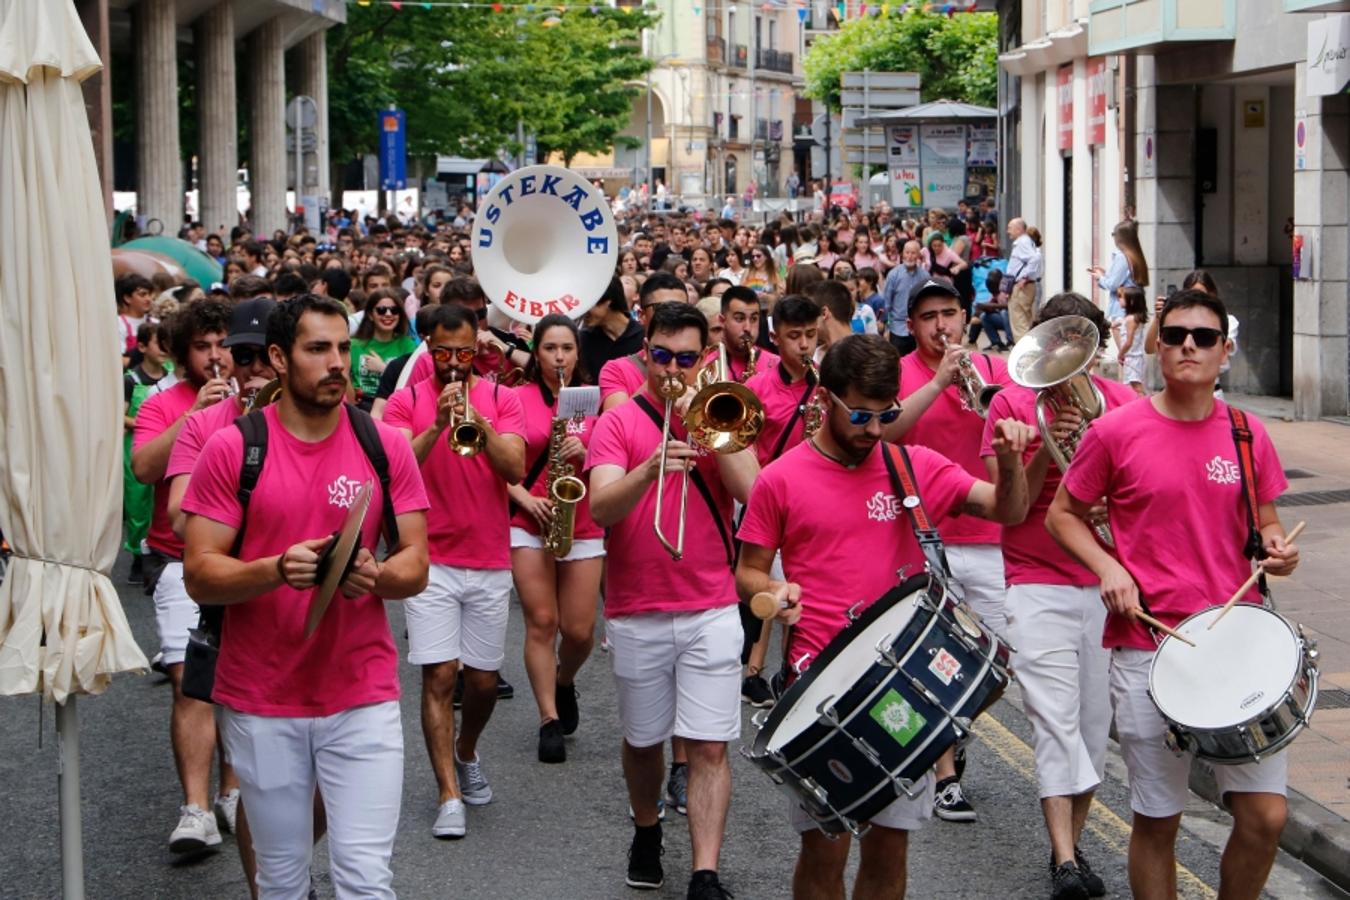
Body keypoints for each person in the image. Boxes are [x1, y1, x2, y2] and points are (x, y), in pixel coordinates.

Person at [736, 333, 1032, 900]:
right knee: (825, 850)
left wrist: (1014, 462)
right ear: (825, 399)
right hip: (818, 689)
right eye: (863, 416)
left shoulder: (911, 465)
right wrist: (775, 590)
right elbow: (747, 573)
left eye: (888, 415)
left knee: (890, 847)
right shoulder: (780, 479)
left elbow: (1007, 509)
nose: (875, 431)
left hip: (901, 691)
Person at [1046, 288, 1299, 900]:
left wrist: (1278, 550)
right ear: (1157, 344)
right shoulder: (1115, 431)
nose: (1190, 345)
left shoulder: (1246, 433)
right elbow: (1062, 515)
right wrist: (1108, 568)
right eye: (1177, 334)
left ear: (1225, 351)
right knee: (1158, 820)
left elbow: (1265, 522)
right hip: (1148, 646)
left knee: (1266, 816)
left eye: (1205, 337)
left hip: (1238, 644)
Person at [181, 295, 430, 899]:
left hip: (361, 691)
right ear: (278, 357)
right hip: (263, 696)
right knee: (283, 879)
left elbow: (417, 563)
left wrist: (378, 576)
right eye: (318, 349)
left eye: (343, 347)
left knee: (366, 880)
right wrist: (272, 568)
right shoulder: (234, 448)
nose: (337, 363)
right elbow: (199, 572)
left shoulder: (384, 443)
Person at [586, 302, 759, 899]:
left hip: (711, 604)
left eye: (687, 359)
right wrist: (649, 469)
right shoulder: (617, 422)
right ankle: (647, 828)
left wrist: (711, 429)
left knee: (710, 745)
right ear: (646, 355)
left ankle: (705, 872)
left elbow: (756, 496)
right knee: (643, 741)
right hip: (638, 609)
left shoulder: (718, 415)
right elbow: (601, 508)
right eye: (662, 357)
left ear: (704, 360)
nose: (673, 371)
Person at [979, 293, 1139, 900]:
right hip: (1034, 578)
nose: (1070, 366)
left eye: (1082, 350)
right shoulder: (1013, 405)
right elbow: (1012, 510)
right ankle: (1068, 861)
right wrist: (1046, 454)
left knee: (1094, 727)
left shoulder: (1123, 403)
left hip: (1102, 581)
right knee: (1053, 720)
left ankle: (1064, 847)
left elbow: (1140, 496)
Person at [383, 302, 526, 839]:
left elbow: (514, 467)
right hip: (428, 558)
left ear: (479, 346)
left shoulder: (503, 397)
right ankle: (448, 793)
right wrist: (438, 424)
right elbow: (397, 470)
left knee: (484, 683)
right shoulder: (405, 401)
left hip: (488, 556)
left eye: (464, 352)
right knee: (440, 676)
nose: (453, 363)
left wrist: (478, 423)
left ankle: (467, 751)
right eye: (443, 352)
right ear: (428, 347)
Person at [891, 277, 1013, 823]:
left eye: (950, 313)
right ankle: (944, 778)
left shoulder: (995, 370)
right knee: (934, 661)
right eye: (929, 317)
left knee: (997, 664)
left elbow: (1017, 421)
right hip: (924, 533)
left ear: (965, 316)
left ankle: (955, 728)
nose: (942, 326)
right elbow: (888, 431)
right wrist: (940, 382)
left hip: (989, 536)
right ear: (911, 324)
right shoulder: (900, 373)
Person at [130, 299, 236, 854]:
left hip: (243, 560)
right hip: (177, 557)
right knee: (187, 677)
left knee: (238, 684)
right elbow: (144, 467)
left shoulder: (257, 397)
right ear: (180, 352)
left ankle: (232, 789)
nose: (215, 356)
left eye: (222, 344)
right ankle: (195, 808)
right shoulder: (159, 402)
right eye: (202, 346)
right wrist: (193, 416)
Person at [506, 315, 605, 764]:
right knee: (542, 621)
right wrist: (525, 498)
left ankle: (565, 680)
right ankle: (548, 718)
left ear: (577, 353)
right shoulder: (513, 398)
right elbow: (497, 466)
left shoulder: (593, 403)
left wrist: (590, 453)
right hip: (529, 521)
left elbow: (612, 462)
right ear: (536, 351)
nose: (559, 357)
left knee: (580, 630)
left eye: (567, 348)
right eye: (550, 348)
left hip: (581, 522)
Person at [737, 294, 822, 707]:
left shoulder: (828, 385)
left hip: (815, 506)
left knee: (807, 592)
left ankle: (796, 671)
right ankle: (754, 669)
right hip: (771, 504)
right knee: (777, 589)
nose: (804, 345)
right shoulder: (756, 389)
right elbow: (743, 449)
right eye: (794, 337)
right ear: (775, 338)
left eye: (810, 335)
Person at [598, 272, 688, 411]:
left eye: (681, 308)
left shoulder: (700, 364)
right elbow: (615, 424)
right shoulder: (616, 370)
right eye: (662, 308)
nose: (673, 315)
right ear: (641, 315)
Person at [123, 322, 170, 582]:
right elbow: (120, 415)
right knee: (137, 502)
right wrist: (143, 422)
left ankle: (155, 548)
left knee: (159, 500)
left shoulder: (170, 377)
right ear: (142, 347)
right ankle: (136, 554)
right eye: (158, 344)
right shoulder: (131, 380)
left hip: (163, 443)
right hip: (135, 446)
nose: (164, 350)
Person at [351, 289, 418, 411]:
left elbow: (411, 384)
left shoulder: (408, 345)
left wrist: (384, 369)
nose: (388, 314)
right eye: (381, 310)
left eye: (394, 310)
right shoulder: (354, 345)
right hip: (360, 407)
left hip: (394, 408)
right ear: (370, 315)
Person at [580, 276, 646, 386]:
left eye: (588, 304)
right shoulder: (584, 339)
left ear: (607, 302)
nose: (583, 311)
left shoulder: (643, 337)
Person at [714, 285, 780, 382]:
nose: (748, 328)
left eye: (754, 319)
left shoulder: (776, 364)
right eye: (739, 318)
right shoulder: (707, 365)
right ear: (722, 321)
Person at [1088, 220, 1150, 321]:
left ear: (1120, 237)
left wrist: (1100, 277)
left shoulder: (1122, 257)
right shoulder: (1135, 255)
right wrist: (1106, 274)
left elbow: (1113, 285)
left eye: (1114, 234)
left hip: (1120, 309)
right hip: (1134, 308)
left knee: (1124, 336)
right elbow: (1124, 278)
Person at [880, 240, 929, 357]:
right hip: (898, 328)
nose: (910, 256)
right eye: (907, 252)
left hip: (917, 327)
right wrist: (887, 326)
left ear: (918, 255)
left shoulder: (925, 276)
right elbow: (887, 302)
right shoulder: (893, 275)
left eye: (913, 253)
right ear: (902, 254)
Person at [1005, 218, 1040, 341]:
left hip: (1021, 287)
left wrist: (1025, 277)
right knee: (1024, 319)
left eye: (1010, 228)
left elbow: (1034, 259)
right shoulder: (1026, 242)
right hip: (1024, 286)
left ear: (1019, 229)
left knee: (1019, 322)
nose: (1007, 231)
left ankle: (1023, 354)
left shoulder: (1022, 242)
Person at [1115, 286, 1149, 396]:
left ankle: (1144, 405)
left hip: (1133, 357)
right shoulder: (1132, 318)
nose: (1119, 300)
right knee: (1134, 386)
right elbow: (1115, 325)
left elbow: (1129, 342)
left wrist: (1120, 354)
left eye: (1122, 298)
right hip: (1134, 357)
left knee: (1136, 386)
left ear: (1131, 301)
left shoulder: (1131, 320)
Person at [116, 273, 155, 369]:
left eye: (149, 294)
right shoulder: (119, 324)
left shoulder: (156, 323)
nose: (148, 299)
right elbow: (117, 359)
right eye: (142, 295)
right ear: (127, 298)